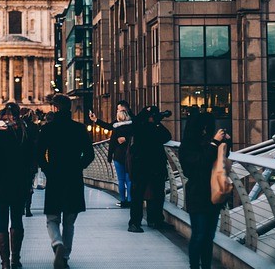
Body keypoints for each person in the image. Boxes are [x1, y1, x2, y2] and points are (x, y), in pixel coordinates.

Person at [37, 94, 94, 269]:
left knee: (52, 218)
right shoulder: (79, 128)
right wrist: (78, 166)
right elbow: (90, 155)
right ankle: (65, 256)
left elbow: (39, 155)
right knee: (69, 220)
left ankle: (57, 243)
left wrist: (48, 170)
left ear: (55, 108)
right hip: (73, 178)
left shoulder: (47, 129)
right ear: (69, 108)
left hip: (55, 178)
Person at [178, 110, 230, 269]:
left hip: (213, 194)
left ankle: (206, 266)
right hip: (197, 194)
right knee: (199, 234)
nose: (205, 131)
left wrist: (225, 143)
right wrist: (214, 143)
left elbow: (220, 161)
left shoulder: (207, 141)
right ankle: (194, 266)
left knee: (209, 236)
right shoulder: (187, 145)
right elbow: (200, 163)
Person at [0, 103, 34, 269]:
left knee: (0, 222)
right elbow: (30, 159)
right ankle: (15, 260)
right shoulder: (22, 132)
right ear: (17, 116)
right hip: (18, 183)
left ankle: (5, 263)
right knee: (16, 220)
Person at [127, 105, 172, 233]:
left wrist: (156, 122)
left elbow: (167, 136)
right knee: (138, 195)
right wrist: (152, 121)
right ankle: (135, 222)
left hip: (153, 165)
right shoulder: (139, 126)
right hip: (142, 165)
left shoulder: (153, 127)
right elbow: (139, 126)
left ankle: (155, 220)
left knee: (157, 193)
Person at [89, 100, 134, 208]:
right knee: (129, 179)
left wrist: (109, 157)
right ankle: (130, 200)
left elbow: (112, 140)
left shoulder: (116, 127)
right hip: (130, 155)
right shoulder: (133, 125)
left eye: (118, 109)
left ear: (123, 110)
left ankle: (123, 201)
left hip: (118, 156)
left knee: (121, 179)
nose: (117, 111)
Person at [20, 106, 40, 217]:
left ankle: (21, 207)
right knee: (29, 185)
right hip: (31, 161)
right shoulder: (34, 127)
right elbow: (38, 144)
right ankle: (28, 208)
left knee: (19, 184)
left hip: (18, 161)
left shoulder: (17, 127)